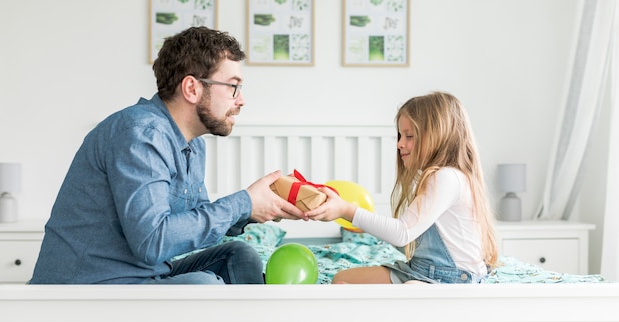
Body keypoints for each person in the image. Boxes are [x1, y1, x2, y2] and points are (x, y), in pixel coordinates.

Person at [29, 26, 306, 285]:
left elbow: (191, 224)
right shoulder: (140, 134)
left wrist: (254, 210)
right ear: (192, 88)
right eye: (233, 86)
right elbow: (152, 242)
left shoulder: (192, 143)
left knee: (239, 255)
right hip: (90, 285)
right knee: (204, 285)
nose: (241, 99)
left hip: (141, 274)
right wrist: (241, 203)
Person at [306, 92, 498, 284]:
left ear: (438, 135)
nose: (399, 144)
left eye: (409, 136)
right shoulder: (446, 177)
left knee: (408, 290)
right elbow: (409, 241)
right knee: (341, 279)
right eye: (400, 136)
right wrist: (366, 227)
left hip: (451, 279)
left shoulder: (446, 178)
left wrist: (346, 210)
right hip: (423, 271)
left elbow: (402, 233)